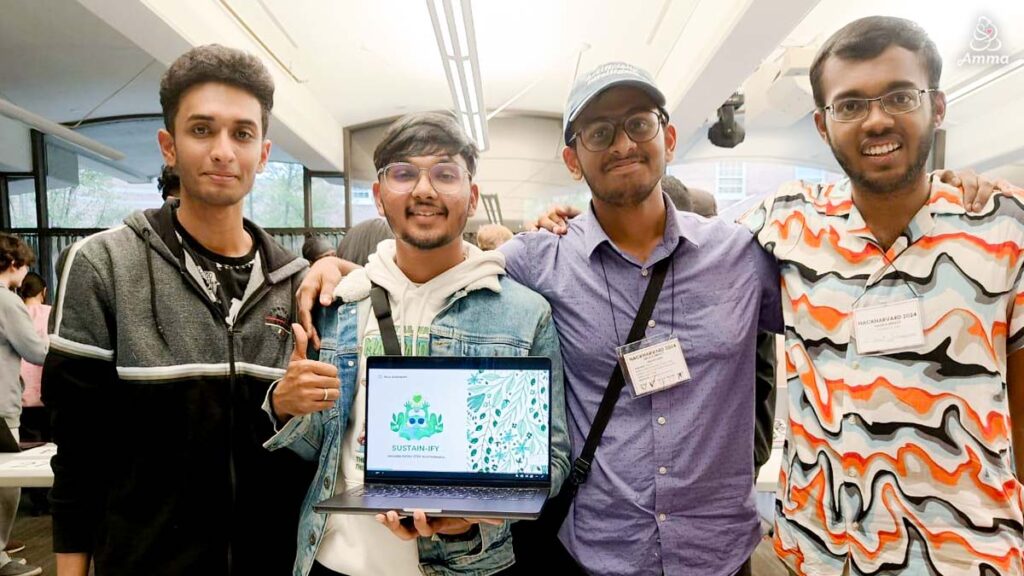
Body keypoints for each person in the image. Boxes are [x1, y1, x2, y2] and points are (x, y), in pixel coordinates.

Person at [740, 16, 1024, 575]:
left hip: (965, 554)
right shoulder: (789, 220)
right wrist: (565, 231)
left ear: (936, 107)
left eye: (899, 96)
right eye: (850, 105)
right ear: (822, 125)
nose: (876, 120)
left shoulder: (1002, 226)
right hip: (820, 553)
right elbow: (680, 253)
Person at [42, 44, 313, 576]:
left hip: (274, 562)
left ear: (263, 153)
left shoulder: (296, 283)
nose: (222, 151)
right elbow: (77, 455)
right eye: (201, 130)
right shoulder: (103, 264)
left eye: (242, 134)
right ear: (169, 145)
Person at [265, 111, 569, 576]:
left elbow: (551, 455)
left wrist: (469, 519)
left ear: (471, 196)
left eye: (445, 174)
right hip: (335, 561)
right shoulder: (338, 304)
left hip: (468, 565)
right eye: (404, 173)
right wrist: (285, 407)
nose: (424, 190)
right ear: (379, 197)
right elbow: (320, 447)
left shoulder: (524, 313)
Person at [0, 234, 46, 576]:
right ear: (13, 263)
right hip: (1, 404)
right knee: (7, 484)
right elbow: (36, 351)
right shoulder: (6, 300)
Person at [16, 272, 49, 443]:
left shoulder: (14, 315)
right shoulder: (52, 314)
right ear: (44, 292)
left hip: (19, 400)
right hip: (46, 398)